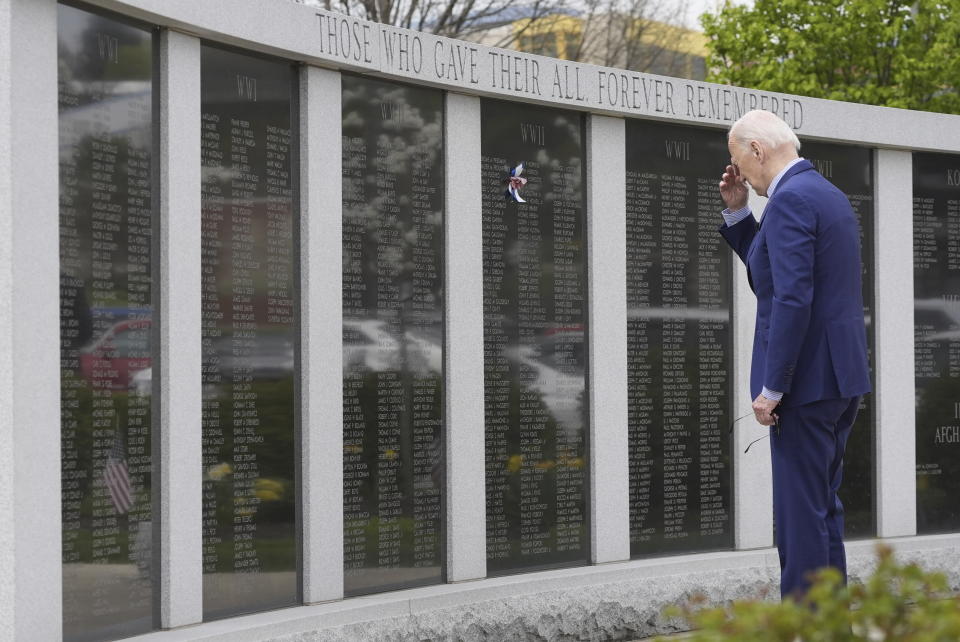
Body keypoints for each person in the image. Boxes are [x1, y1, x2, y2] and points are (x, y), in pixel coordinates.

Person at [717, 109, 871, 598]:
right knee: (821, 510)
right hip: (838, 380)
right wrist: (740, 214)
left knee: (800, 520)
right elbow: (775, 272)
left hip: (803, 386)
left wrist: (772, 387)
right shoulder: (824, 194)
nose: (738, 171)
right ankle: (829, 626)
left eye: (737, 159)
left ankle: (805, 627)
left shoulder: (790, 201)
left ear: (757, 149)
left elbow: (791, 298)